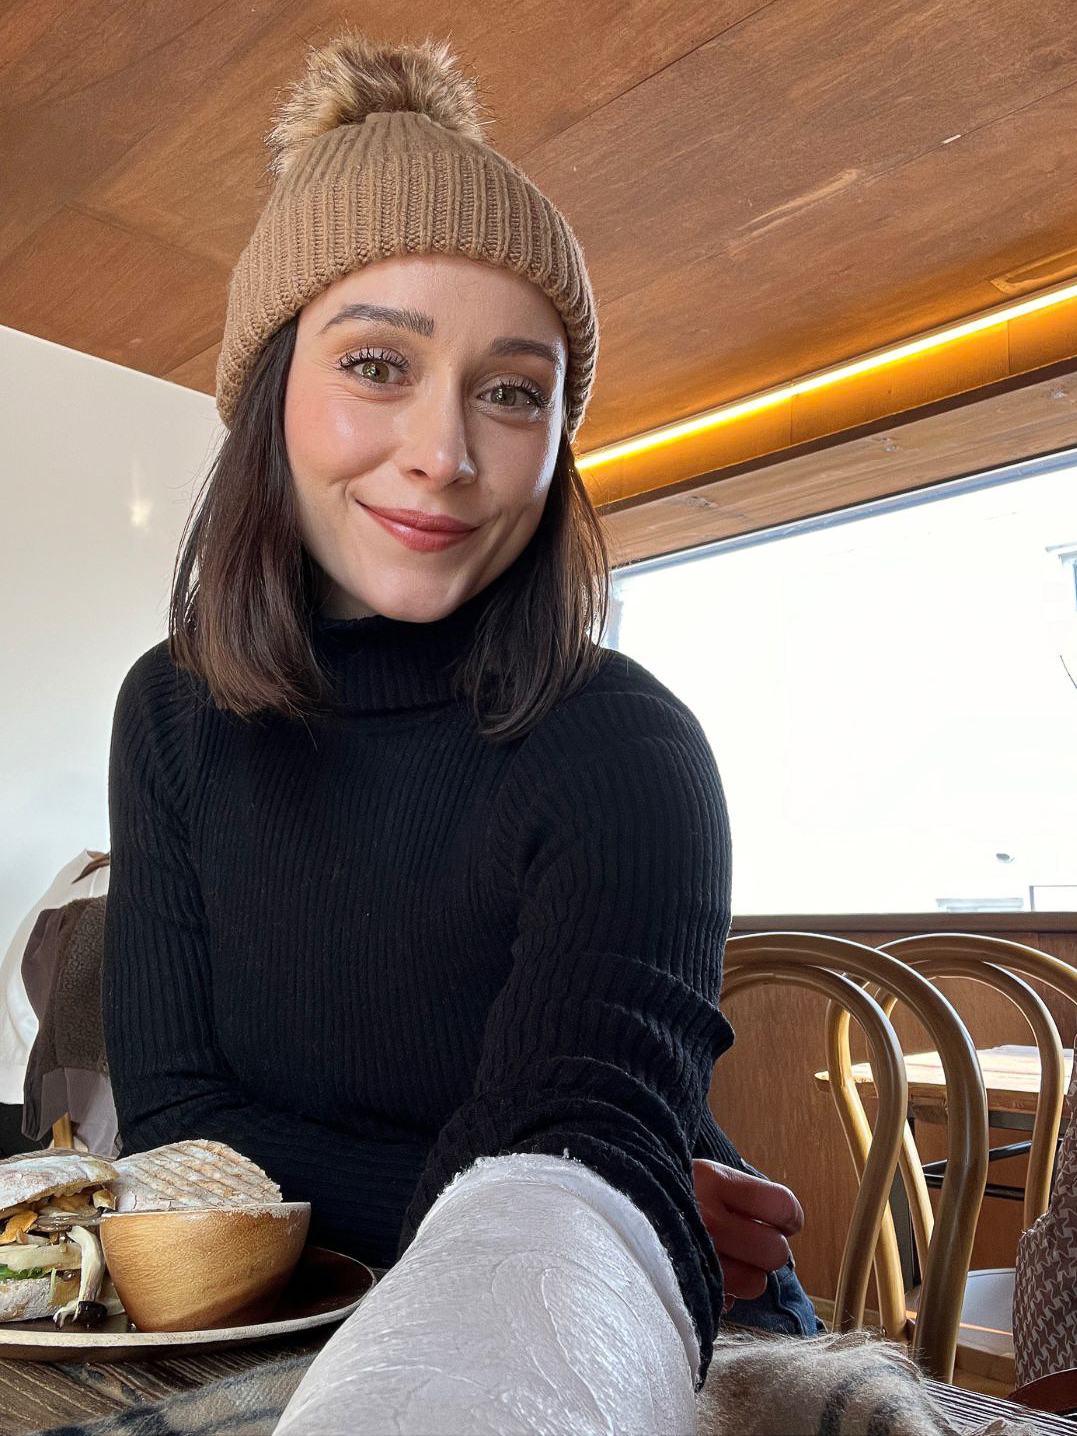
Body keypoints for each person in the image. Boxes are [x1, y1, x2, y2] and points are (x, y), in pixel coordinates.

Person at [101, 32, 818, 1401]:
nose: (445, 453)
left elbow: (577, 1168)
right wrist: (547, 1185)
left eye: (511, 391)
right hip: (326, 1323)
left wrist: (594, 1195)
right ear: (270, 394)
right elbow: (178, 1134)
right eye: (378, 364)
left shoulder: (626, 746)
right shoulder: (173, 716)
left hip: (635, 1326)